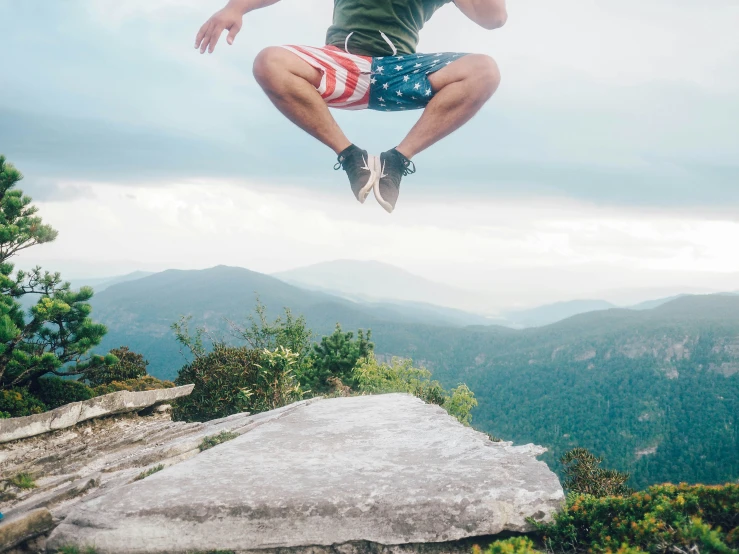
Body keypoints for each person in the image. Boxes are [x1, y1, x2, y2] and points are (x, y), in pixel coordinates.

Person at [196, 0, 507, 212]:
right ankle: (350, 157)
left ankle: (396, 161)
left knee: (484, 70)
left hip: (399, 73)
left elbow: (493, 18)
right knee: (269, 61)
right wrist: (235, 8)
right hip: (340, 66)